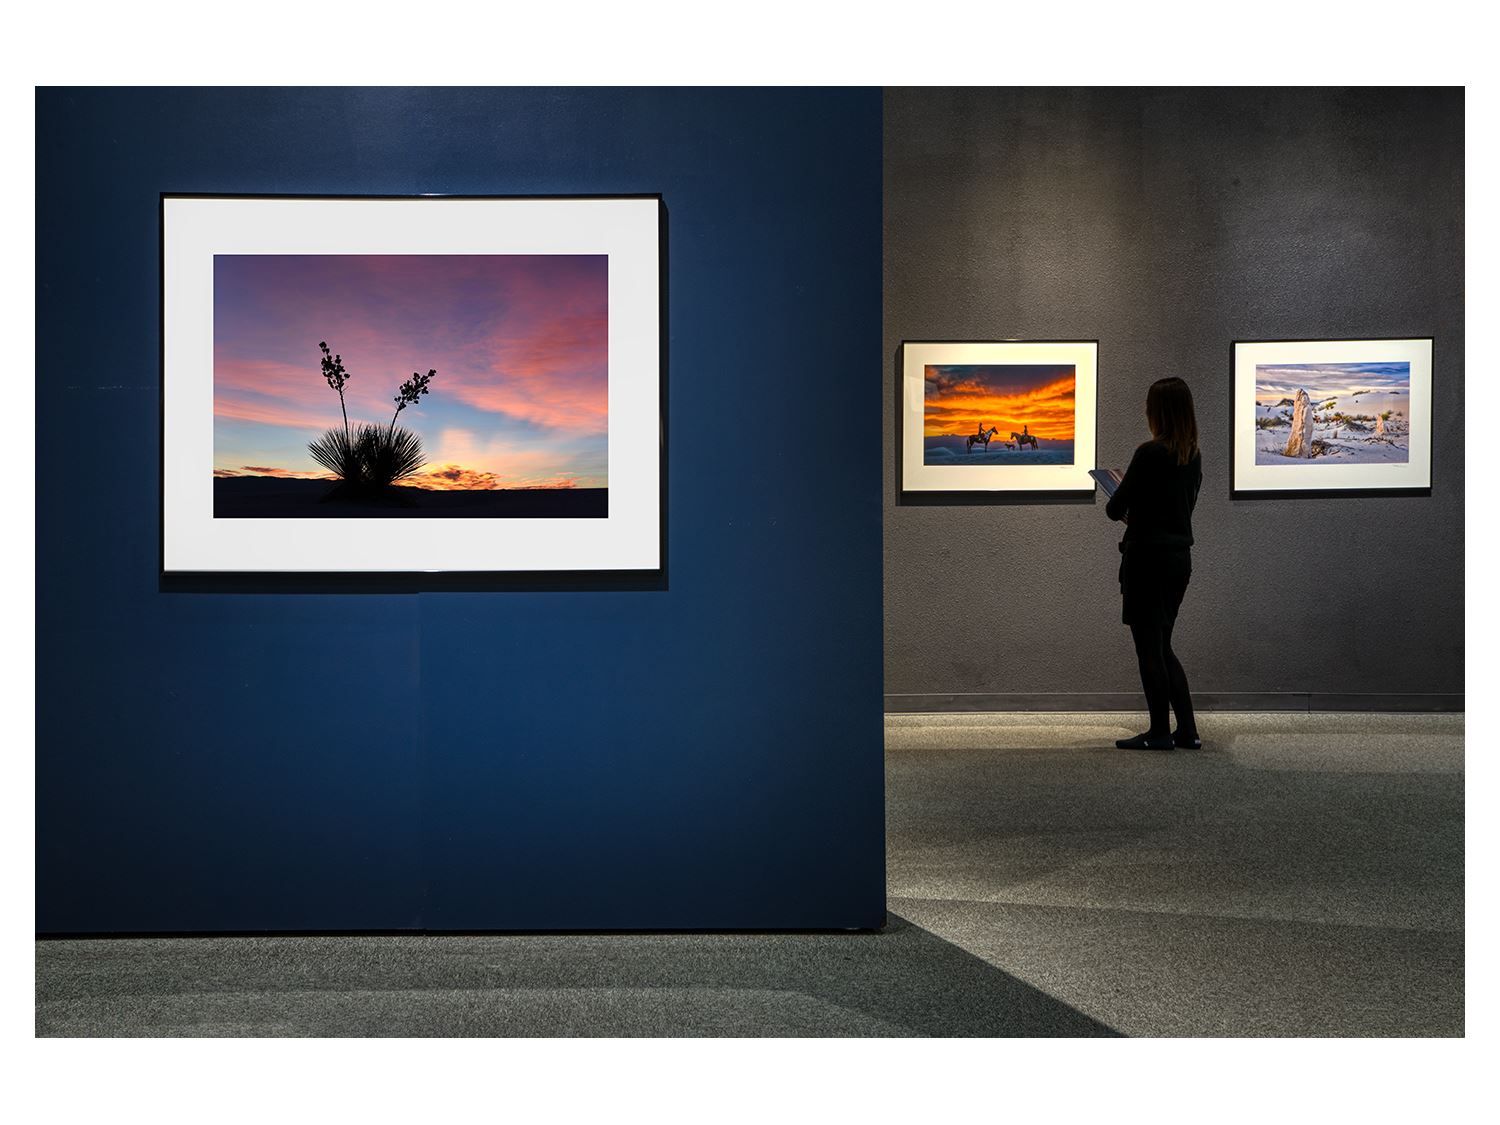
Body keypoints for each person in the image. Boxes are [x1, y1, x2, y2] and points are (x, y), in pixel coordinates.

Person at [1104, 377, 1203, 751]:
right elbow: (1180, 510)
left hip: (1146, 561)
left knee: (1149, 649)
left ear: (1156, 412)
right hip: (1178, 561)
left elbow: (1115, 508)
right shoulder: (1192, 456)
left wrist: (1121, 490)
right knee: (1163, 645)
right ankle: (1187, 731)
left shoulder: (1148, 453)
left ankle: (1160, 731)